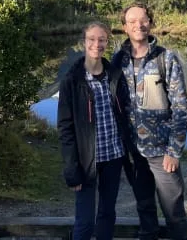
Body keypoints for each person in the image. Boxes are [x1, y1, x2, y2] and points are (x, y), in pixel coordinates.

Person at [112, 2, 187, 240]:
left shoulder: (166, 59)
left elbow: (181, 108)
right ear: (125, 27)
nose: (139, 25)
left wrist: (174, 151)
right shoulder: (117, 61)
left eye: (143, 20)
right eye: (132, 21)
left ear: (151, 23)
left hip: (162, 152)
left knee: (174, 211)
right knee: (144, 207)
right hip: (133, 153)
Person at [57, 21, 133, 240]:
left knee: (107, 214)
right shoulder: (72, 81)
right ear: (83, 42)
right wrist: (72, 169)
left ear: (107, 42)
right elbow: (65, 128)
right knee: (85, 220)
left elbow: (125, 113)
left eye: (102, 40)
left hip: (113, 156)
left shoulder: (114, 75)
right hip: (86, 161)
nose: (96, 44)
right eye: (91, 39)